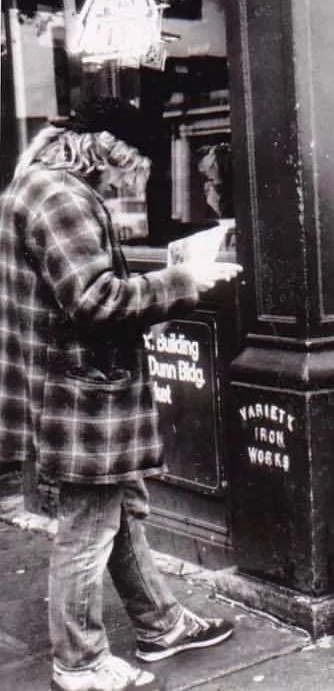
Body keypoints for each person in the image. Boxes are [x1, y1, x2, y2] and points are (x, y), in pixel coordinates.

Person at [0, 97, 243, 691]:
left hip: (70, 388)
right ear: (110, 148)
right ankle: (79, 662)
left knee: (118, 511)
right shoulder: (61, 197)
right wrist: (182, 281)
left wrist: (155, 290)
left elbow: (77, 297)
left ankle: (161, 624)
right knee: (88, 528)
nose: (123, 182)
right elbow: (95, 299)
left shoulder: (37, 186)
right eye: (127, 167)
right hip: (81, 396)